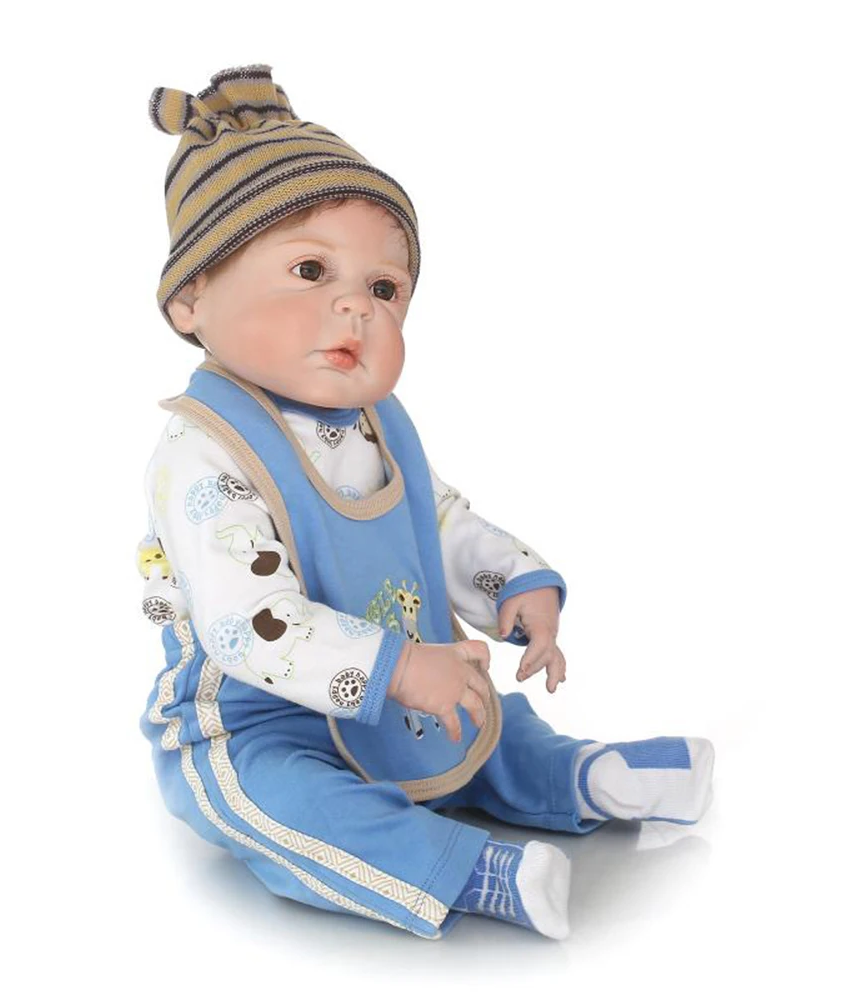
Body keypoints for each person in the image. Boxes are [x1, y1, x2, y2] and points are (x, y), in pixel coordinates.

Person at [137, 64, 715, 940]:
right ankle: (468, 870)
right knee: (282, 802)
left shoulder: (379, 423)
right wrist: (397, 669)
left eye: (385, 288)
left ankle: (585, 774)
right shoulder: (203, 453)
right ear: (191, 299)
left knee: (480, 715)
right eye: (309, 269)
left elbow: (434, 522)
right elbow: (247, 625)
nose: (355, 307)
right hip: (256, 716)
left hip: (402, 678)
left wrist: (514, 582)